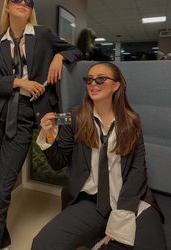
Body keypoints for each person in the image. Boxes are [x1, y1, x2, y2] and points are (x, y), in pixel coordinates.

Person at [0, 0, 82, 250]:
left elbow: (75, 51)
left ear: (31, 9)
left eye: (28, 1)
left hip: (22, 120)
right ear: (7, 6)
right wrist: (19, 82)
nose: (23, 2)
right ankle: (0, 239)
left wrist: (59, 56)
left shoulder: (42, 35)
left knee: (1, 190)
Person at [31, 62, 167, 250]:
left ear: (116, 85)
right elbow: (58, 162)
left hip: (131, 199)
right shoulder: (75, 117)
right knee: (42, 245)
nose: (93, 84)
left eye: (101, 79)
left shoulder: (131, 122)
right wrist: (49, 137)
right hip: (92, 202)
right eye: (89, 80)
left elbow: (137, 172)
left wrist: (121, 215)